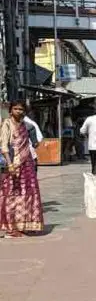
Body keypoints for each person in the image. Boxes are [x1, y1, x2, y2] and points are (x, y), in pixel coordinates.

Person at [0, 100, 44, 237]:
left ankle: (24, 224)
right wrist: (10, 164)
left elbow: (36, 142)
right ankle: (10, 228)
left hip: (28, 164)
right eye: (16, 109)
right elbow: (4, 146)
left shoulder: (27, 126)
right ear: (10, 110)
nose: (18, 111)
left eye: (21, 109)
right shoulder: (7, 124)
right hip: (13, 164)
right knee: (11, 195)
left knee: (28, 194)